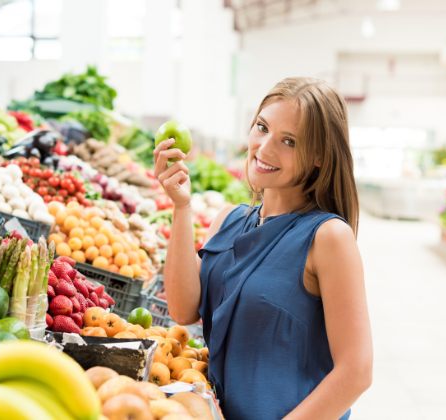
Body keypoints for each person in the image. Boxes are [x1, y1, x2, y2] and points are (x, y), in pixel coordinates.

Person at [154, 77, 373, 419]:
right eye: (262, 127)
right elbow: (184, 310)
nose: (265, 148)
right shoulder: (228, 220)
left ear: (318, 157)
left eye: (289, 141)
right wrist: (181, 207)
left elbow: (356, 372)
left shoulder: (328, 237)